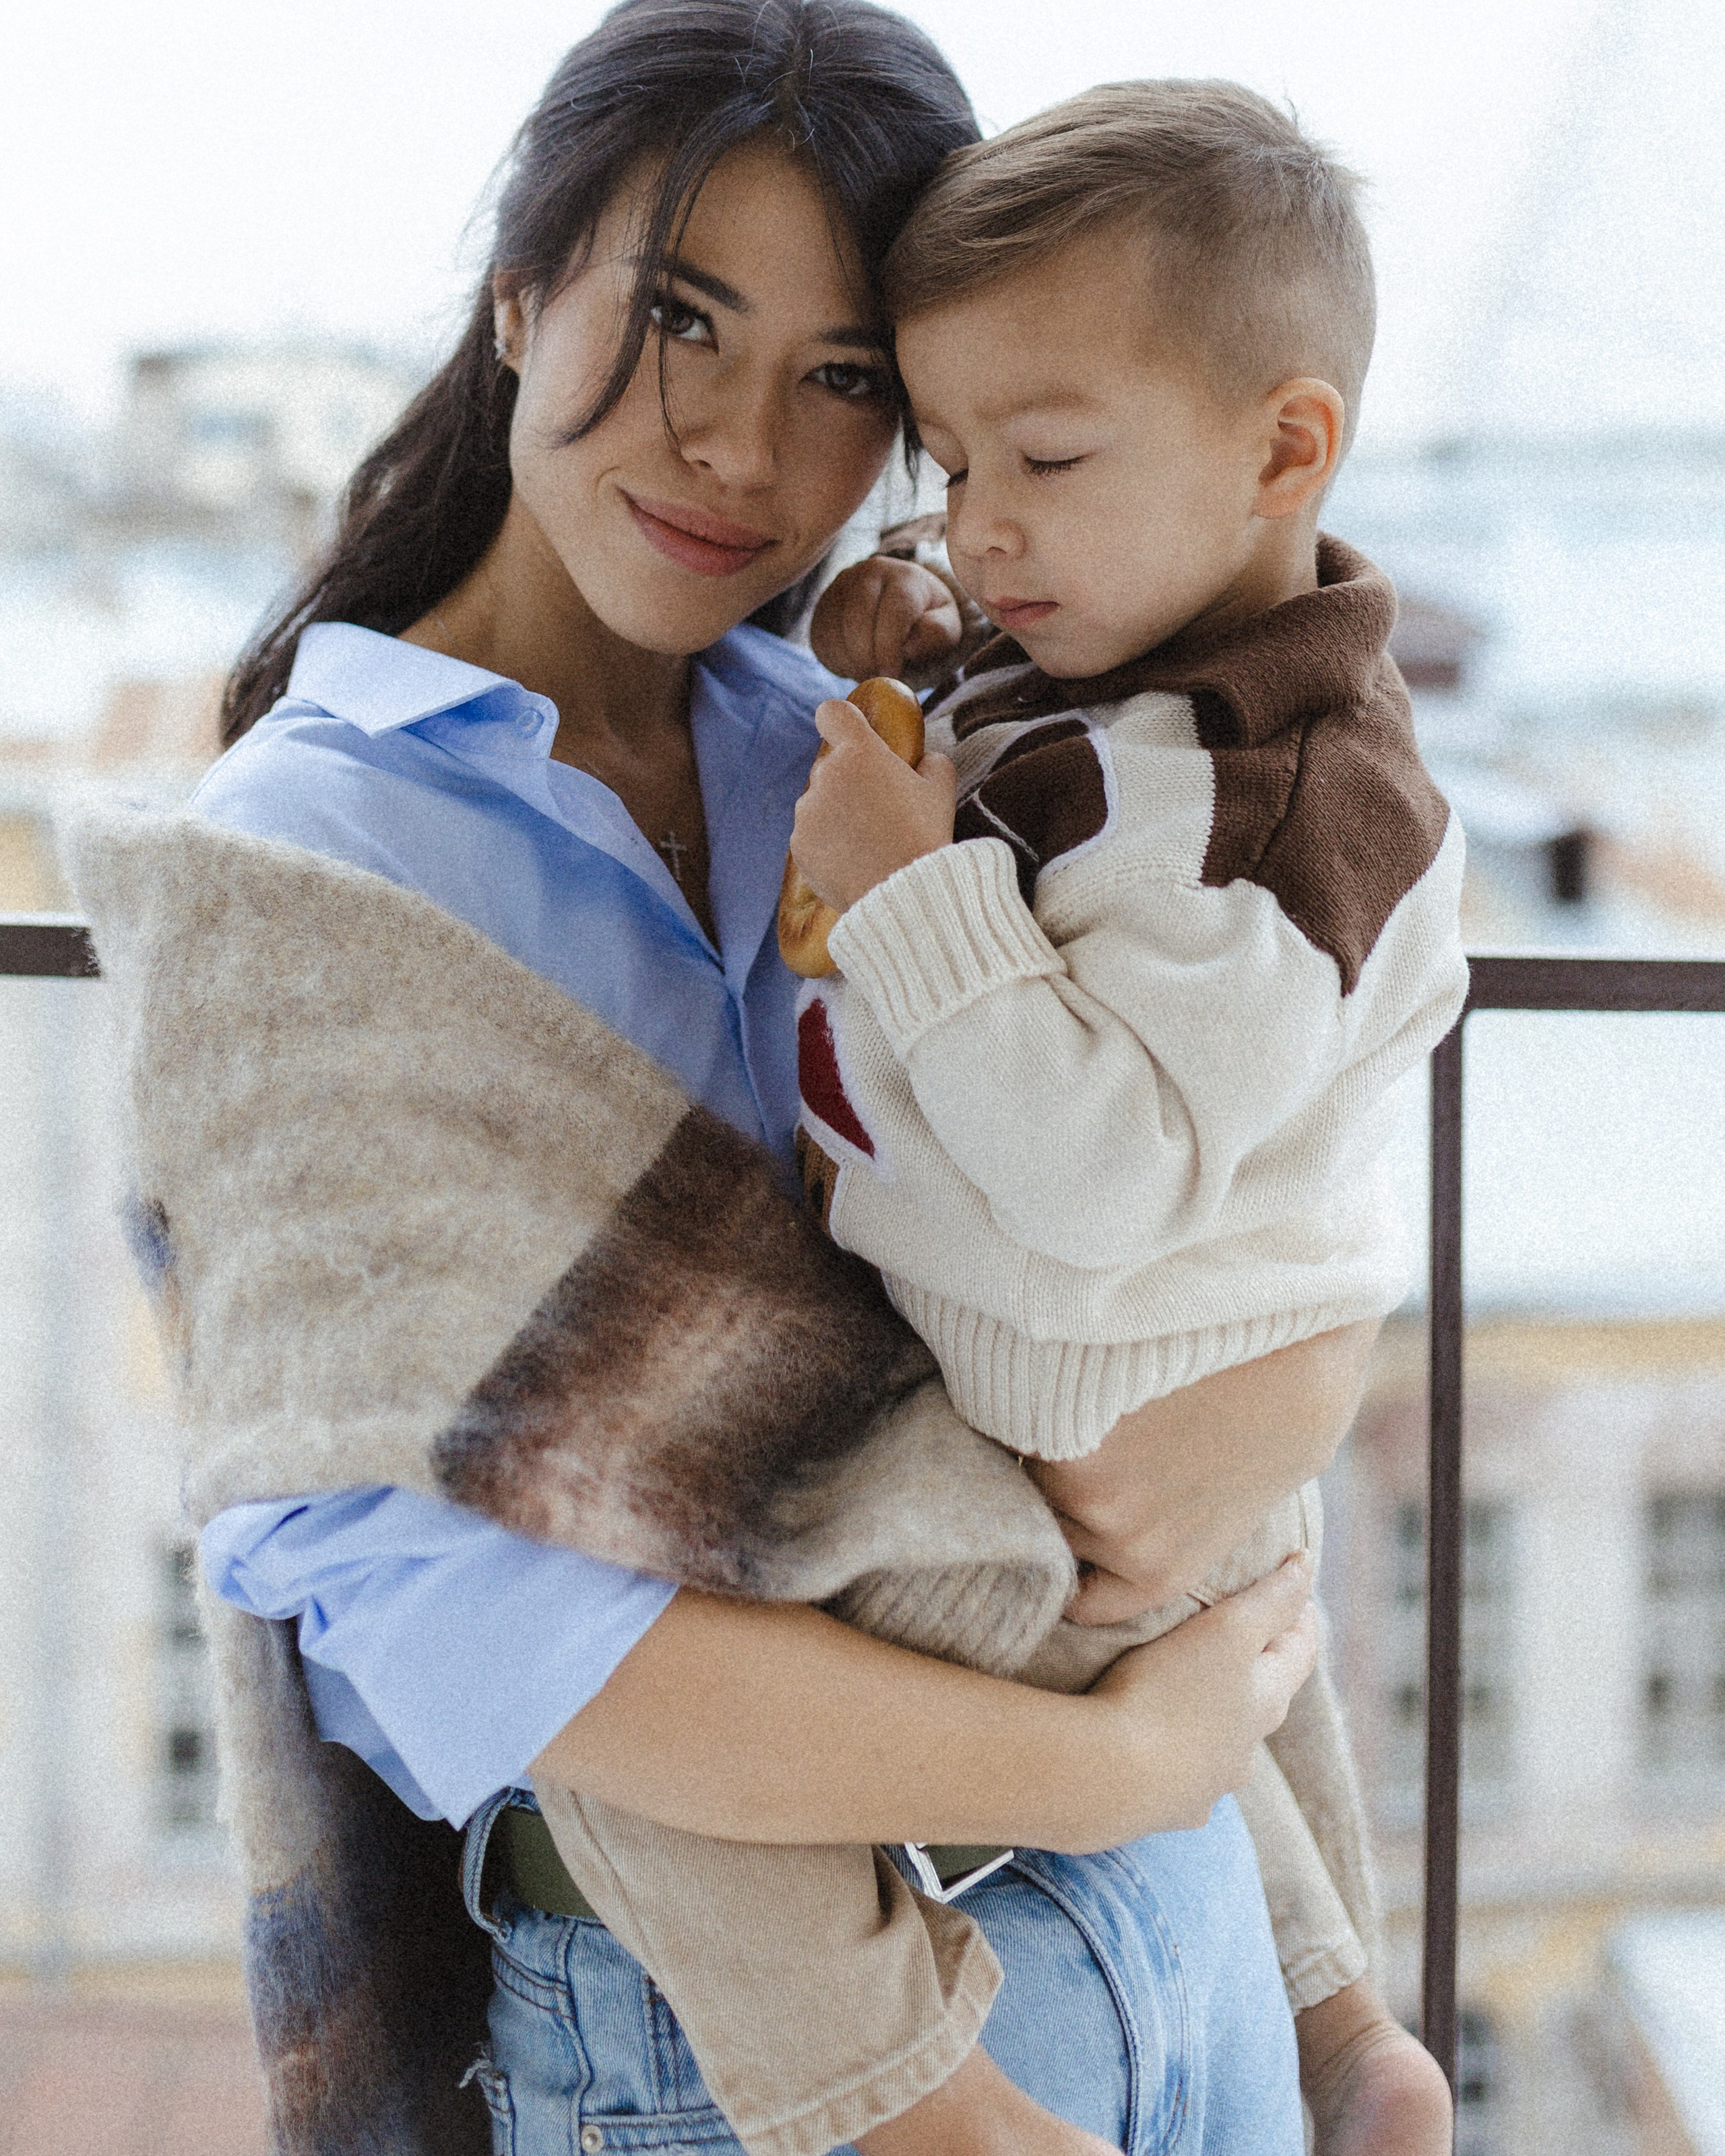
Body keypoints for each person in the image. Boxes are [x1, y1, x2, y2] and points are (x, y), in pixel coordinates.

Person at [67, 8, 1402, 2153]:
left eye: (845, 379)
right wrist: (1103, 1776)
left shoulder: (881, 757)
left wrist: (1302, 1382)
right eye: (680, 319)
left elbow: (1166, 1183)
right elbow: (455, 1622)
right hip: (740, 2040)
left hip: (1186, 1928)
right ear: (519, 296)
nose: (737, 450)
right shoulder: (305, 866)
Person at [443, 75, 1465, 2156]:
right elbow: (1001, 734)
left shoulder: (1272, 802)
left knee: (617, 1715)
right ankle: (1348, 2021)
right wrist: (897, 639)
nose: (981, 526)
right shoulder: (1140, 652)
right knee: (1213, 1642)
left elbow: (1092, 1171)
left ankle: (888, 2090)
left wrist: (912, 888)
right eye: (948, 458)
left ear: (1287, 447)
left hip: (1055, 1375)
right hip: (1079, 1387)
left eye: (1045, 463)